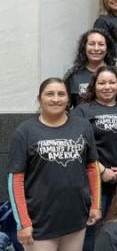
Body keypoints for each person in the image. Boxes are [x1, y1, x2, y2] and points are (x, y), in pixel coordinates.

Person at [8, 78, 101, 251]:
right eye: (49, 94)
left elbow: (92, 168)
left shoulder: (83, 126)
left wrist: (95, 205)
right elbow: (15, 180)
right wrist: (23, 222)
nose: (56, 99)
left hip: (75, 218)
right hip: (39, 223)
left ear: (68, 99)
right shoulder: (25, 131)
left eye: (61, 94)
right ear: (39, 98)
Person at [71, 66, 117, 251]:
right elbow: (77, 145)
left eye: (112, 82)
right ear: (94, 85)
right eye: (102, 82)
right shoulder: (82, 111)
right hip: (94, 182)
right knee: (92, 230)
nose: (107, 87)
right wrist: (101, 170)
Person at [64, 29, 117, 107]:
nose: (96, 48)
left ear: (107, 48)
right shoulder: (73, 75)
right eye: (92, 44)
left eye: (101, 44)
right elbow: (65, 108)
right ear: (84, 48)